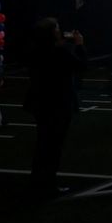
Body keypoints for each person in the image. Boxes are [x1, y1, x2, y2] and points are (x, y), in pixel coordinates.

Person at [23, 18, 86, 198]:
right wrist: (80, 45)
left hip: (40, 103)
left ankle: (37, 182)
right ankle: (48, 184)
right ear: (53, 33)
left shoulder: (35, 52)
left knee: (43, 143)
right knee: (53, 147)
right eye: (57, 28)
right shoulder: (60, 52)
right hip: (58, 104)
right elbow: (82, 65)